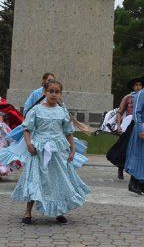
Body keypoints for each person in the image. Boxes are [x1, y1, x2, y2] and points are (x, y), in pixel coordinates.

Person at [10, 80, 91, 224]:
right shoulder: (36, 110)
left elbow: (68, 131)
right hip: (39, 150)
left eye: (57, 92)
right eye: (51, 91)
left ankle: (59, 210)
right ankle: (28, 212)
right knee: (35, 179)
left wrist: (72, 150)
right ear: (45, 93)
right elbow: (27, 128)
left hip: (58, 150)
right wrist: (29, 144)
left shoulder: (62, 111)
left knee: (59, 179)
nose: (54, 94)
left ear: (60, 94)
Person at [106, 77, 143, 180]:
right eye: (136, 85)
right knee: (123, 147)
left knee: (137, 148)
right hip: (128, 123)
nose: (138, 87)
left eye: (140, 85)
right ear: (133, 87)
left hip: (139, 124)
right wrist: (118, 126)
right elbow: (120, 112)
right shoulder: (128, 97)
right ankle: (120, 168)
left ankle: (134, 172)